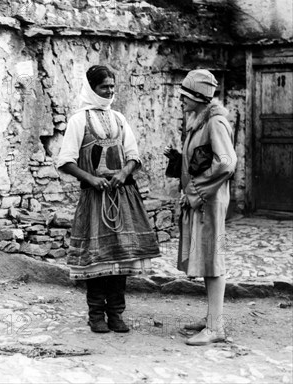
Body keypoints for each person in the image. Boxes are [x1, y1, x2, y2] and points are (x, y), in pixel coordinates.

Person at [57, 65, 161, 333]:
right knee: (98, 259)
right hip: (95, 199)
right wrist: (91, 179)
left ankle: (116, 314)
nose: (110, 92)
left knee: (121, 257)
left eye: (113, 87)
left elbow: (133, 155)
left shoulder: (119, 118)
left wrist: (124, 173)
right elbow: (65, 160)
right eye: (104, 87)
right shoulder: (78, 120)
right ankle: (96, 316)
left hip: (122, 196)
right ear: (92, 88)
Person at [164, 69, 237, 346]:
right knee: (207, 258)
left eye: (185, 96)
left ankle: (216, 327)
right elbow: (205, 157)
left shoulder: (215, 122)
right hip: (204, 200)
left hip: (210, 201)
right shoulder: (199, 120)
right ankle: (211, 318)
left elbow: (226, 162)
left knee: (214, 259)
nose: (181, 100)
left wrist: (194, 190)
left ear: (198, 97)